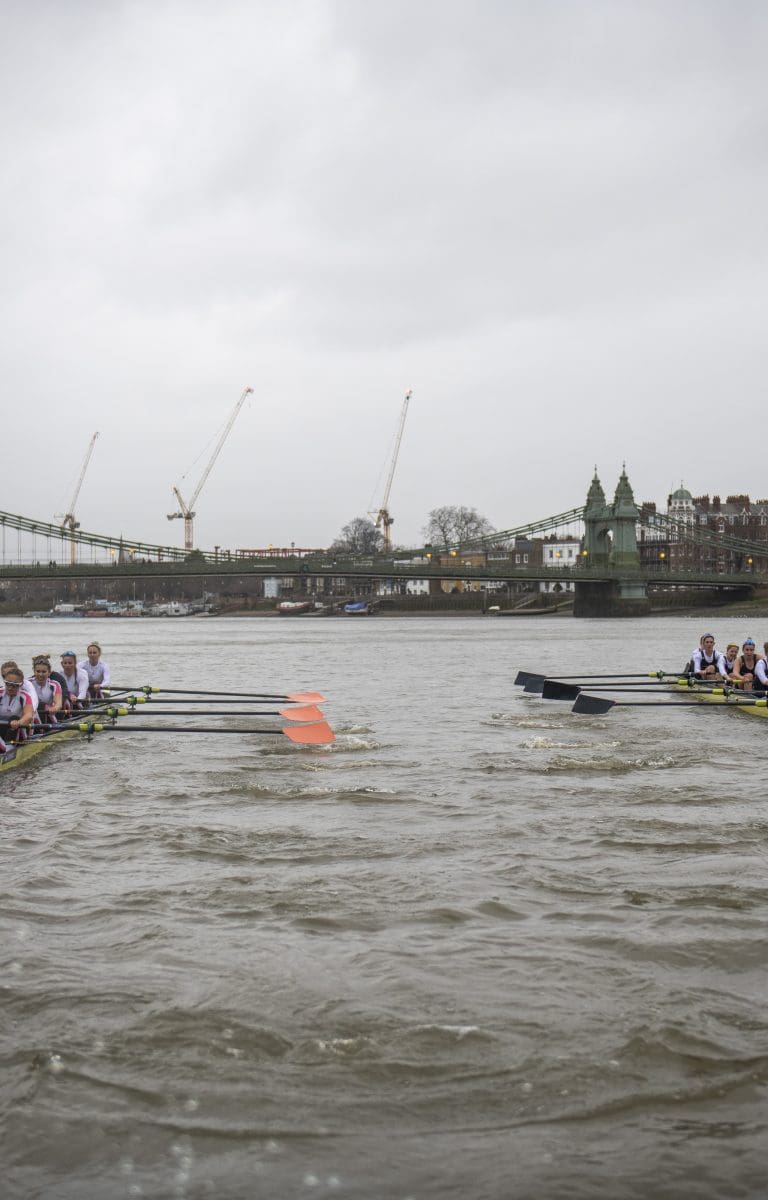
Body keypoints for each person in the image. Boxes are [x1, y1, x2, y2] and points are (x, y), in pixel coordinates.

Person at [0, 667, 35, 744]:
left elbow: (29, 715)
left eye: (14, 685)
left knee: (14, 718)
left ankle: (8, 746)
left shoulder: (25, 696)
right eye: (7, 684)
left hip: (18, 729)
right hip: (2, 727)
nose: (10, 688)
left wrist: (19, 722)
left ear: (20, 685)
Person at [26, 656, 63, 725]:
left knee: (41, 706)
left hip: (48, 715)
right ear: (34, 671)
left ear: (49, 672)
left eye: (44, 672)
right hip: (30, 714)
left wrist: (55, 708)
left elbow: (58, 703)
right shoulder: (27, 683)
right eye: (38, 671)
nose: (40, 674)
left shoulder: (55, 684)